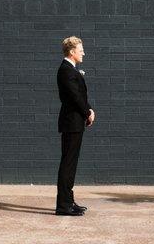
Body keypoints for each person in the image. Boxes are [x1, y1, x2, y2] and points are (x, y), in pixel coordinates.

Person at [55, 36, 96, 216]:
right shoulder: (66, 70)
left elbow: (78, 95)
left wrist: (88, 109)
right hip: (71, 123)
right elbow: (75, 96)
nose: (83, 53)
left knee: (71, 164)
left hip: (75, 123)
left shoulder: (71, 69)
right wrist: (88, 111)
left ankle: (69, 201)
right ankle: (63, 206)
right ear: (72, 52)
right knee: (68, 164)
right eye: (81, 50)